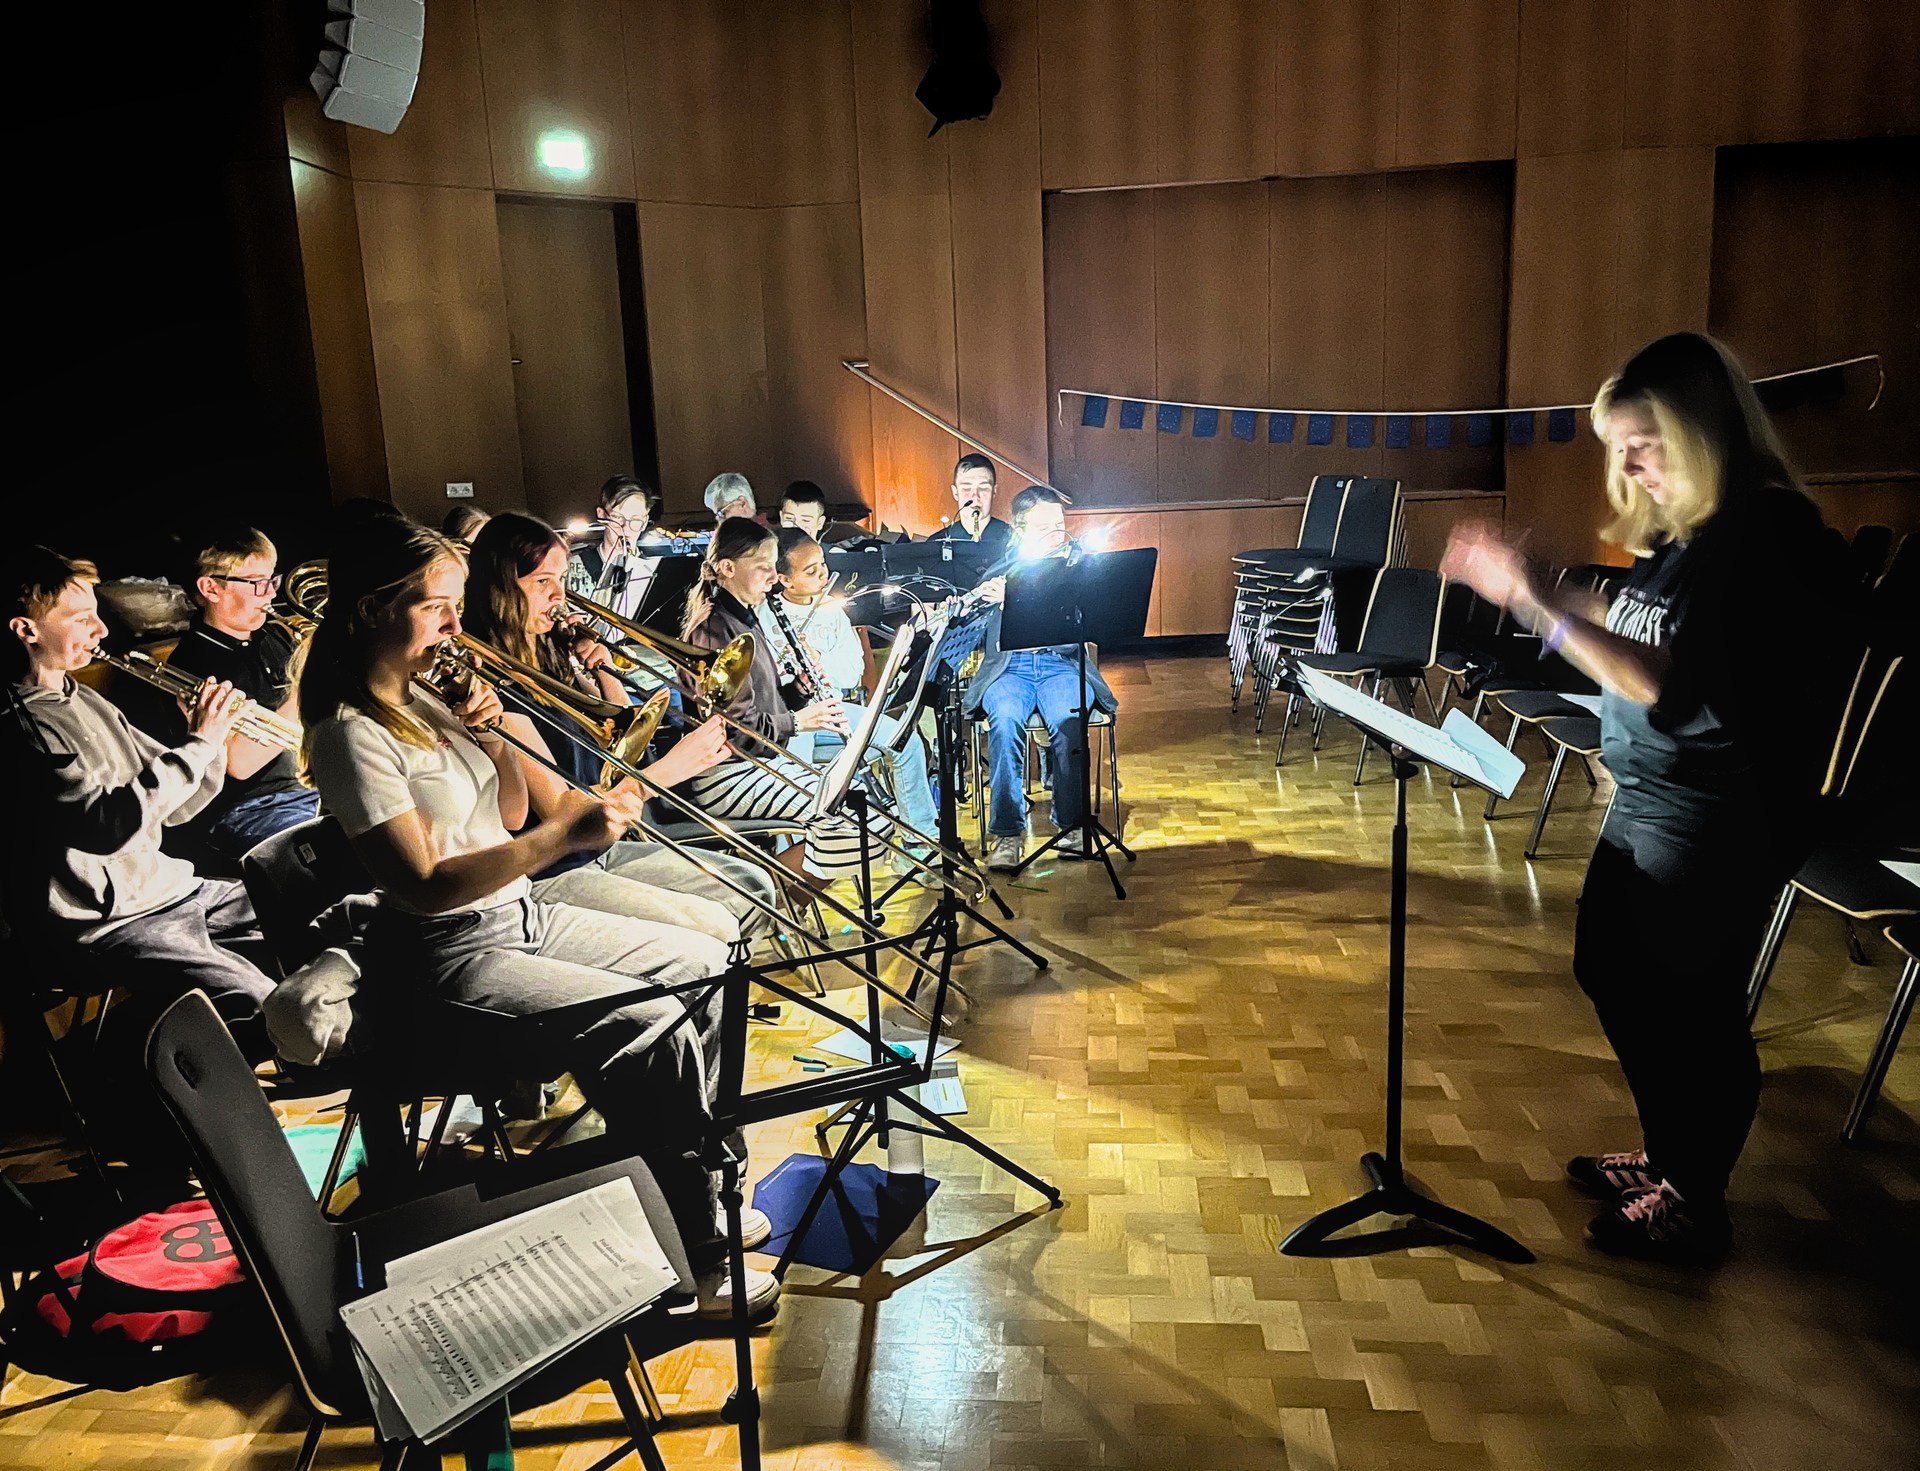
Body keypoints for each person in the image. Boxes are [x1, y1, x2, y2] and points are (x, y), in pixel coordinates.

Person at [1440, 331, 1860, 1265]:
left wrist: (1534, 605)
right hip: (1655, 795)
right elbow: (1637, 620)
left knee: (1692, 1006)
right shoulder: (1690, 534)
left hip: (1721, 811)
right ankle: (1673, 1151)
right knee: (1612, 967)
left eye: (1643, 442)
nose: (1626, 465)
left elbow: (1663, 678)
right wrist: (1546, 586)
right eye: (1617, 446)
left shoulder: (1766, 534)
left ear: (1704, 430)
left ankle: (1694, 1197)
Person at [298, 513, 777, 1317]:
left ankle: (704, 1184)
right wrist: (563, 837)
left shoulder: (429, 698)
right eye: (436, 608)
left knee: (708, 965)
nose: (455, 628)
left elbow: (517, 810)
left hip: (516, 915)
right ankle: (695, 1256)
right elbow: (426, 883)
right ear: (373, 609)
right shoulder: (350, 734)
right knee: (647, 1023)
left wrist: (493, 738)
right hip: (443, 956)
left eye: (455, 607)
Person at [2, 546, 276, 1083]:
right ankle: (166, 1095)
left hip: (170, 891)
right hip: (107, 923)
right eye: (81, 619)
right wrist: (201, 743)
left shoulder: (86, 699)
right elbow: (107, 827)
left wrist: (207, 740)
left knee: (306, 917)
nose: (101, 630)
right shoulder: (20, 728)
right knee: (263, 1003)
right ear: (25, 630)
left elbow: (179, 809)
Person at [465, 511, 778, 943]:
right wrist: (672, 769)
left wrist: (604, 667)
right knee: (713, 925)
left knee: (753, 888)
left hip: (600, 849)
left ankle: (722, 976)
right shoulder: (493, 680)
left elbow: (622, 733)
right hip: (553, 868)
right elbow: (562, 812)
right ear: (501, 587)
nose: (559, 596)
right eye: (542, 582)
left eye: (561, 579)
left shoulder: (547, 653)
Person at [680, 519, 902, 884]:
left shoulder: (744, 617)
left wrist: (798, 690)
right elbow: (736, 731)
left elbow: (761, 706)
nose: (773, 577)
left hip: (756, 764)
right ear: (727, 568)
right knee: (862, 821)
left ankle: (778, 897)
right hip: (727, 775)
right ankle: (765, 899)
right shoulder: (715, 628)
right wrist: (799, 722)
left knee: (865, 809)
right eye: (763, 567)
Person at [141, 527, 321, 868]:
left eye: (272, 580)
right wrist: (312, 686)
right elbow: (239, 763)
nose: (271, 594)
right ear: (211, 588)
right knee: (343, 854)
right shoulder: (195, 662)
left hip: (307, 786)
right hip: (249, 808)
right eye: (257, 583)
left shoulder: (273, 635)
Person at [761, 529, 938, 864]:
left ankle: (920, 840)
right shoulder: (764, 615)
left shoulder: (832, 609)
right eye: (810, 571)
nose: (823, 574)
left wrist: (816, 658)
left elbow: (852, 672)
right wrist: (790, 670)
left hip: (834, 708)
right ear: (784, 580)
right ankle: (801, 856)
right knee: (796, 771)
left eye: (822, 564)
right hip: (791, 715)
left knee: (906, 742)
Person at [965, 486, 1117, 872]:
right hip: (1009, 669)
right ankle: (1007, 833)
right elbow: (974, 634)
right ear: (1020, 531)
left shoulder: (1077, 569)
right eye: (1043, 527)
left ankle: (1072, 825)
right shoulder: (1000, 570)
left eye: (1059, 525)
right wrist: (985, 603)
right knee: (1004, 724)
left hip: (1061, 665)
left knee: (1069, 721)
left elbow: (1089, 630)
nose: (1055, 534)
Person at [925, 453, 1014, 559]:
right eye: (967, 488)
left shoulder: (1013, 539)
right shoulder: (935, 544)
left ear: (994, 492)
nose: (975, 497)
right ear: (955, 493)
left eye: (984, 488)